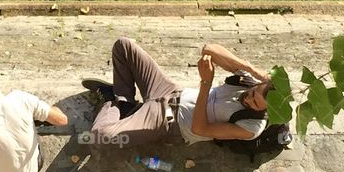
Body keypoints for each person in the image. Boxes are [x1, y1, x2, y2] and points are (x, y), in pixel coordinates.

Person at [82, 36, 272, 147]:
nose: (249, 100)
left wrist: (206, 83)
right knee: (123, 45)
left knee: (99, 136)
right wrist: (249, 68)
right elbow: (209, 49)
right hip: (170, 91)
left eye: (255, 104)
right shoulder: (250, 80)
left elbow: (200, 129)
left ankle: (112, 101)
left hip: (167, 121)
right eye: (253, 93)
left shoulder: (251, 127)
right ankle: (124, 103)